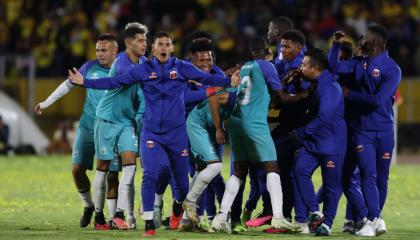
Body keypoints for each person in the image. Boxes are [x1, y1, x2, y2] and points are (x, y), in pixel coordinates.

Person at [67, 31, 238, 237]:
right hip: (152, 133)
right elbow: (114, 82)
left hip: (176, 133)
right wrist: (85, 82)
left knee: (182, 183)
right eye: (160, 44)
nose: (164, 47)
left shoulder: (182, 67)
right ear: (154, 49)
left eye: (168, 44)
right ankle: (149, 223)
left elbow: (208, 78)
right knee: (150, 174)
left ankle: (177, 207)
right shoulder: (143, 70)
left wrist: (229, 81)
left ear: (172, 48)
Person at [211, 37, 309, 234]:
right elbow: (281, 97)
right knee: (272, 167)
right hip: (254, 122)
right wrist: (302, 95)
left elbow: (257, 91)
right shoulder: (266, 66)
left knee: (238, 171)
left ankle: (221, 217)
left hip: (236, 122)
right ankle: (279, 218)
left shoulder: (246, 66)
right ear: (267, 51)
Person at [34, 34, 118, 228]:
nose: (100, 54)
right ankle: (89, 206)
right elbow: (67, 85)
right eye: (97, 49)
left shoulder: (121, 70)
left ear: (115, 51)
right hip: (88, 125)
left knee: (112, 174)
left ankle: (114, 217)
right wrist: (46, 102)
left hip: (110, 127)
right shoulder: (89, 67)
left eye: (104, 50)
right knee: (76, 169)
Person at [329, 25, 401, 237]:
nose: (361, 40)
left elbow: (378, 101)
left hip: (385, 130)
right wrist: (336, 45)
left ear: (376, 42)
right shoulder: (359, 63)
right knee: (368, 175)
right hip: (362, 131)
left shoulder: (392, 69)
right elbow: (333, 68)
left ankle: (373, 219)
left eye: (365, 38)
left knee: (382, 179)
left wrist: (348, 93)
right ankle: (371, 220)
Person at [91, 22, 147, 230]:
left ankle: (120, 215)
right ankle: (98, 216)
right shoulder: (123, 64)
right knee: (103, 169)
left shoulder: (143, 62)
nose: (145, 44)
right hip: (106, 119)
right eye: (140, 40)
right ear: (129, 43)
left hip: (126, 122)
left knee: (130, 166)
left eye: (145, 40)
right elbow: (141, 89)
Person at [292, 48, 347, 236]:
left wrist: (301, 132)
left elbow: (324, 116)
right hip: (313, 142)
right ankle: (315, 213)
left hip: (332, 144)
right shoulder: (316, 84)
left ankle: (327, 224)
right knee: (300, 171)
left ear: (314, 68)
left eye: (303, 65)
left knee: (332, 185)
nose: (300, 67)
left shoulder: (330, 86)